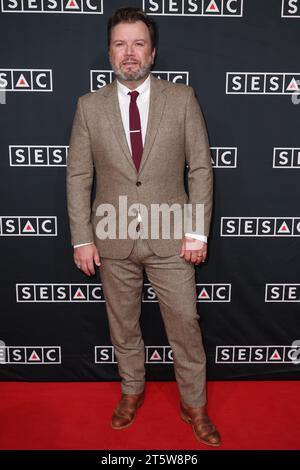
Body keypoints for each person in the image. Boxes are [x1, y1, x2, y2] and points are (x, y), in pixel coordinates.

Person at [67, 7, 220, 447]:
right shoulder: (88, 107)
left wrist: (196, 231)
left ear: (152, 52)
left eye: (138, 44)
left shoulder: (182, 98)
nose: (129, 53)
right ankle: (131, 391)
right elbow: (78, 176)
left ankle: (194, 404)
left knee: (185, 325)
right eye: (120, 44)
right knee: (123, 326)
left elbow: (201, 170)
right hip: (111, 239)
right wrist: (82, 238)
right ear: (109, 52)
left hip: (173, 238)